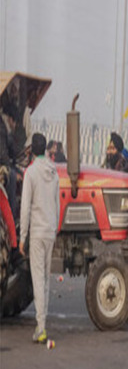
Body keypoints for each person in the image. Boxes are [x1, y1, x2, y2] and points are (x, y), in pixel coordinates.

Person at [19, 133, 61, 343]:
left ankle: (41, 326)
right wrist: (56, 227)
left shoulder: (30, 173)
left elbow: (25, 208)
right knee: (45, 277)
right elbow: (57, 203)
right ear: (44, 149)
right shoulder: (54, 173)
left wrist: (21, 237)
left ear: (31, 150)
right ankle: (41, 323)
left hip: (36, 232)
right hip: (50, 230)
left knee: (37, 278)